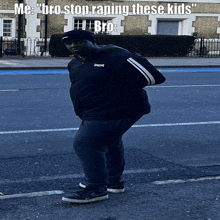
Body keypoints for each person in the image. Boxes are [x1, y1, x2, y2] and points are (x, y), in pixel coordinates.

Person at [61, 30, 166, 204]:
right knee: (110, 141)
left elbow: (154, 77)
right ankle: (112, 182)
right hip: (93, 111)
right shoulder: (75, 63)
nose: (73, 46)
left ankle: (95, 188)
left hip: (117, 111)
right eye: (69, 43)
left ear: (92, 41)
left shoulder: (117, 57)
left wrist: (118, 90)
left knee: (85, 143)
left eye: (79, 42)